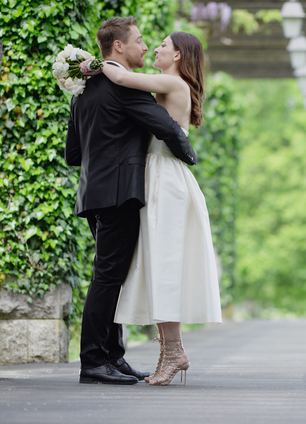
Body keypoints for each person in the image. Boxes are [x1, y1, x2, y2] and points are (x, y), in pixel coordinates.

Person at [65, 17, 196, 385]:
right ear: (118, 47)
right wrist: (186, 152)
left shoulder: (83, 90)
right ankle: (94, 360)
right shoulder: (127, 88)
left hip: (93, 192)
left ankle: (113, 356)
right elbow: (166, 126)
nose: (145, 46)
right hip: (121, 193)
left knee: (112, 276)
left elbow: (73, 153)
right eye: (139, 40)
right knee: (108, 278)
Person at [89, 31, 222, 386]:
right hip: (156, 177)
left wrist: (83, 65)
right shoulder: (167, 84)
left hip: (165, 180)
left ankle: (173, 350)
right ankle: (168, 351)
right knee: (156, 263)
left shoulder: (170, 84)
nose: (155, 49)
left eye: (163, 45)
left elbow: (118, 75)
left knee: (164, 263)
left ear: (178, 56)